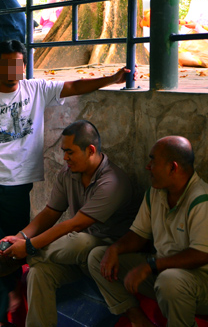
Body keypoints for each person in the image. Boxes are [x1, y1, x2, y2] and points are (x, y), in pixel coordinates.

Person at [0, 40, 135, 327]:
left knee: (6, 245)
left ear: (24, 65)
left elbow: (74, 87)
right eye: (8, 64)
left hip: (20, 184)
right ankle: (12, 282)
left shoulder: (36, 89)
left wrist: (111, 79)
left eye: (19, 64)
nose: (14, 70)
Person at [0, 120, 141, 327]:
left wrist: (28, 247)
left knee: (80, 241)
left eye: (70, 152)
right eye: (64, 151)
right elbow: (50, 212)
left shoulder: (113, 181)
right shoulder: (68, 173)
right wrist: (20, 237)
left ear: (90, 150)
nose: (64, 158)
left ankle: (27, 256)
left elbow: (75, 225)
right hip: (72, 255)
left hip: (106, 256)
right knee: (38, 273)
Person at [88, 136, 208, 327]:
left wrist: (150, 267)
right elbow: (138, 235)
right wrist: (115, 249)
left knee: (170, 281)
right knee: (97, 257)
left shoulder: (201, 200)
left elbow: (202, 254)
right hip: (161, 271)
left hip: (198, 282)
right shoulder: (155, 193)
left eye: (153, 161)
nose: (148, 166)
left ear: (172, 167)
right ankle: (138, 320)